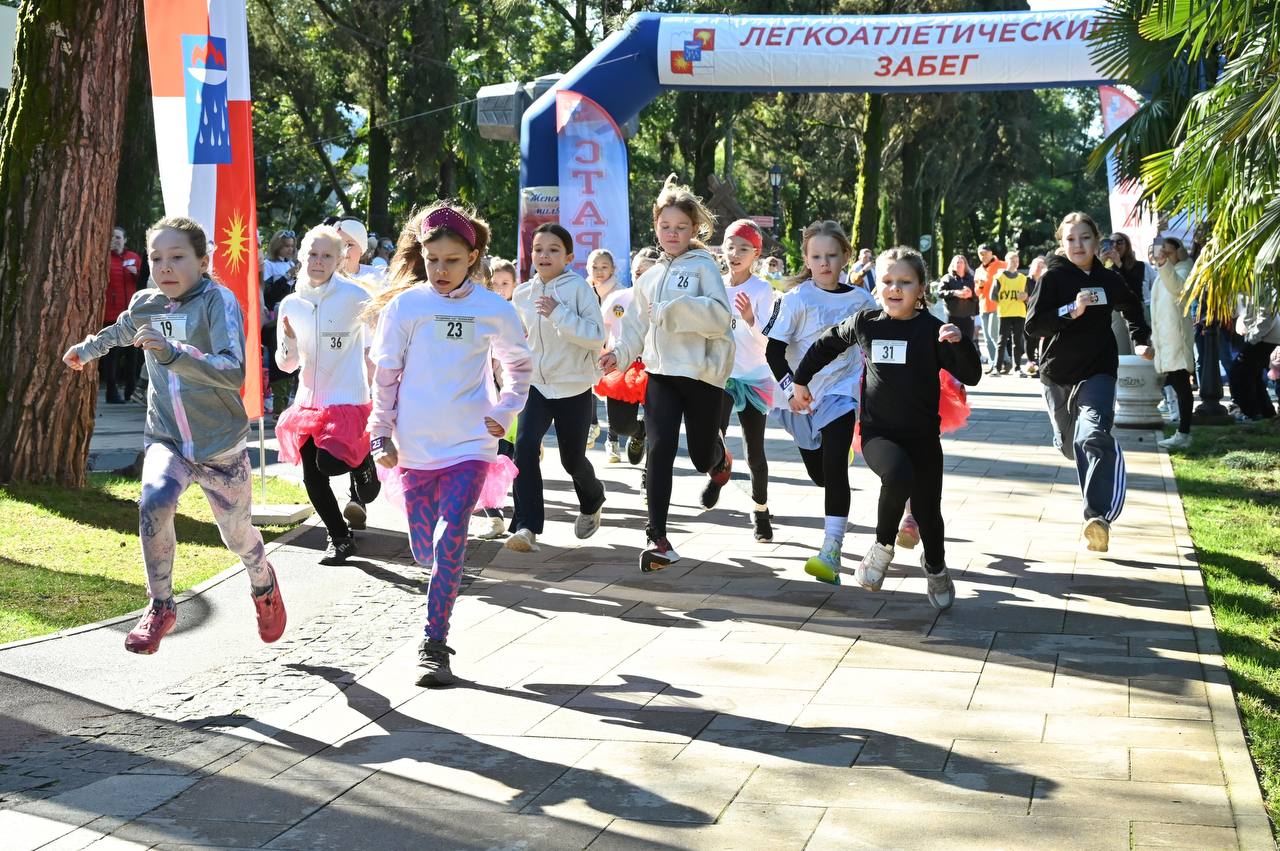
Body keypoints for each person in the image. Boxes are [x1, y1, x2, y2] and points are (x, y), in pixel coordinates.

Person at [62, 216, 286, 654]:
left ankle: (263, 584)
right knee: (155, 501)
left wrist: (173, 352)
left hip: (220, 445)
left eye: (177, 257)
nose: (165, 267)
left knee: (237, 537)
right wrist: (87, 350)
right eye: (156, 258)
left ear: (203, 261)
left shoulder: (217, 301)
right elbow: (123, 329)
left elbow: (233, 370)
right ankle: (161, 604)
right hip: (166, 438)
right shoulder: (146, 302)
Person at [365, 202, 532, 686]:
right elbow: (386, 377)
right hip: (414, 447)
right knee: (425, 551)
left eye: (452, 261)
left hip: (471, 444)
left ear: (473, 257)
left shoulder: (494, 309)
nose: (440, 270)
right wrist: (380, 433)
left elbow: (519, 368)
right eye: (432, 259)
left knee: (450, 538)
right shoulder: (406, 307)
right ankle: (436, 604)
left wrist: (505, 410)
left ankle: (434, 643)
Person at [793, 246, 981, 608]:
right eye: (887, 281)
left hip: (923, 438)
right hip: (878, 433)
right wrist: (800, 380)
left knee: (928, 513)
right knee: (896, 476)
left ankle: (937, 567)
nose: (895, 288)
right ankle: (881, 549)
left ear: (921, 288)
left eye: (905, 282)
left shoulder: (933, 330)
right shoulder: (866, 323)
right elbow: (825, 344)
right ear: (877, 286)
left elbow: (971, 375)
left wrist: (961, 344)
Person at [600, 178, 734, 572]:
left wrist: (672, 311)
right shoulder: (649, 277)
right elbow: (635, 328)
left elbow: (719, 317)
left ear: (694, 229)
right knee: (659, 451)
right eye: (665, 227)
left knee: (700, 457)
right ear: (656, 228)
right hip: (660, 374)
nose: (672, 234)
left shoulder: (704, 267)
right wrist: (619, 355)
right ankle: (657, 538)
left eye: (680, 227)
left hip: (701, 375)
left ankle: (718, 458)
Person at [1025, 212, 1152, 553]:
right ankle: (1067, 441)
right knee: (1072, 446)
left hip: (1098, 370)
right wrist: (1069, 310)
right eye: (1070, 239)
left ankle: (1097, 518)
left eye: (1084, 238)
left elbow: (1132, 306)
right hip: (1057, 374)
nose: (1078, 245)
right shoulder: (1053, 278)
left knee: (1093, 436)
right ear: (1061, 243)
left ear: (1097, 241)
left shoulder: (1108, 279)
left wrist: (1140, 339)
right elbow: (1033, 326)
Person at [764, 220, 875, 582]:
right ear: (806, 259)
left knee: (835, 468)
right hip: (799, 397)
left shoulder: (862, 300)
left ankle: (831, 551)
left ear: (845, 256)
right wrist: (791, 389)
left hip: (842, 391)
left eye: (831, 255)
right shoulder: (796, 299)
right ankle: (830, 451)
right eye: (816, 257)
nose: (824, 263)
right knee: (820, 475)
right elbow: (774, 352)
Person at [273, 225, 380, 565]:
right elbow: (286, 364)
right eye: (313, 254)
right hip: (308, 401)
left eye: (327, 256)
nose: (318, 261)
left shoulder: (354, 296)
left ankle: (362, 462)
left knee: (331, 463)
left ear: (339, 260)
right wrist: (290, 340)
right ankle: (340, 538)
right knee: (313, 476)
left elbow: (383, 334)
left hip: (348, 398)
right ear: (302, 257)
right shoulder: (291, 303)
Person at [506, 224, 608, 553]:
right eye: (538, 249)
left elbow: (596, 336)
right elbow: (516, 339)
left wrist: (558, 313)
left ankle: (593, 498)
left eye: (553, 250)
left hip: (573, 386)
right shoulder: (522, 294)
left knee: (572, 460)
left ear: (568, 257)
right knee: (524, 448)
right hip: (536, 385)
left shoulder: (579, 290)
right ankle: (527, 527)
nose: (544, 255)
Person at [717, 219, 779, 542]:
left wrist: (751, 318)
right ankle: (717, 474)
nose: (735, 254)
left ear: (756, 254)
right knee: (711, 437)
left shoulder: (761, 290)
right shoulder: (714, 285)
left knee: (754, 452)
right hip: (720, 374)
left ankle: (761, 511)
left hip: (753, 377)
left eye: (744, 248)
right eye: (731, 247)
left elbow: (768, 339)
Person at [1149, 237, 1197, 448]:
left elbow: (1178, 288)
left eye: (1168, 253)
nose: (1164, 256)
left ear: (1179, 252)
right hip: (1166, 338)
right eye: (1162, 253)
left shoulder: (1184, 269)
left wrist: (1162, 264)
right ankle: (1182, 431)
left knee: (1182, 386)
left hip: (1177, 338)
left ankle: (1184, 433)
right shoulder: (1167, 270)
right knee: (1177, 384)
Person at [100, 226, 145, 404]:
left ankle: (130, 391)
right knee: (112, 357)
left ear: (125, 240)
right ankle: (112, 393)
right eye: (112, 237)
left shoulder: (134, 258)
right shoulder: (103, 258)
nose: (115, 240)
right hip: (111, 316)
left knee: (133, 356)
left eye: (118, 237)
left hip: (133, 317)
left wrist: (137, 274)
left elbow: (145, 282)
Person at [261, 230, 300, 419]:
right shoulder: (268, 266)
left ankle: (290, 404)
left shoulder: (292, 264)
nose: (290, 249)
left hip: (294, 318)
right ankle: (279, 407)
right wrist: (286, 277)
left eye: (292, 246)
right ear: (277, 246)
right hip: (274, 321)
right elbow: (269, 294)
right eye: (286, 246)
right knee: (280, 362)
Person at [1101, 232, 1147, 355]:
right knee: (1121, 352)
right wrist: (1100, 264)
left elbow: (1134, 287)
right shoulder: (1106, 267)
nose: (1115, 245)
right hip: (1116, 313)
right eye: (1111, 242)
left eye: (1120, 241)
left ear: (1127, 245)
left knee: (1139, 350)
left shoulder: (1138, 265)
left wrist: (1119, 264)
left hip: (1136, 311)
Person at [993, 251, 1030, 376]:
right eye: (1012, 260)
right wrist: (1005, 302)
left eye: (1017, 261)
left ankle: (1017, 368)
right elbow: (993, 296)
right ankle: (997, 368)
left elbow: (1028, 296)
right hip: (1004, 313)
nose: (1015, 263)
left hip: (1019, 312)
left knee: (1017, 342)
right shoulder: (999, 277)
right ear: (1006, 262)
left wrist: (1025, 297)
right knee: (1001, 341)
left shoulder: (1023, 278)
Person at [974, 244, 1005, 372]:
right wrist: (980, 286)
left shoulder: (1002, 265)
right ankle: (993, 364)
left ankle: (1004, 361)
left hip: (997, 306)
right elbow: (977, 292)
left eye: (985, 253)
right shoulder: (978, 270)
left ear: (991, 253)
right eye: (980, 254)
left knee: (994, 335)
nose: (983, 256)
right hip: (983, 306)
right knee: (987, 338)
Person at [335, 218, 387, 291]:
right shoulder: (327, 277)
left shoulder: (375, 275)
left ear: (362, 249)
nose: (343, 250)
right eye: (338, 244)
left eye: (349, 245)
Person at [937, 254, 978, 343]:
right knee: (951, 341)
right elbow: (939, 293)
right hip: (952, 316)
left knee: (968, 341)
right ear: (953, 265)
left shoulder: (972, 279)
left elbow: (979, 295)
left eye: (961, 262)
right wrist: (954, 293)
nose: (959, 264)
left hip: (968, 316)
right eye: (957, 262)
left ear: (965, 265)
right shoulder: (947, 278)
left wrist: (971, 295)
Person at [1024, 256, 1048, 376]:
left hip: (1042, 314)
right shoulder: (1026, 281)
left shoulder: (1046, 280)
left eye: (1042, 266)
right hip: (1028, 313)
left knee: (1040, 339)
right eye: (1038, 266)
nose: (1040, 269)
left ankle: (1040, 363)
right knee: (1030, 339)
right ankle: (1031, 363)